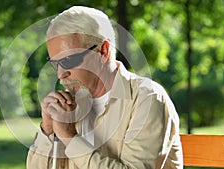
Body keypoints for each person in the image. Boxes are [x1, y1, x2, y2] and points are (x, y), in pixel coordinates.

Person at [27, 6, 183, 169]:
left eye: (68, 61)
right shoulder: (70, 105)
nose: (60, 74)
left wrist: (70, 138)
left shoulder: (147, 98)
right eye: (55, 64)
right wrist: (48, 130)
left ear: (103, 51)